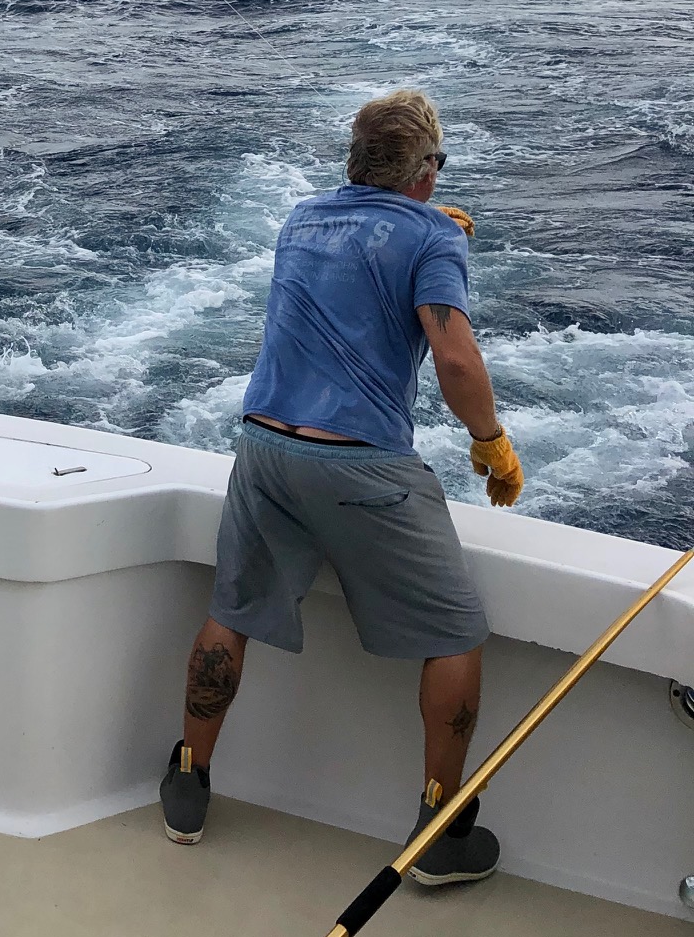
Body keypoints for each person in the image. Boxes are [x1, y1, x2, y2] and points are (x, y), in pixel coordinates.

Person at [161, 89, 524, 886]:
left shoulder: (302, 218)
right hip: (361, 468)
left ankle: (187, 779)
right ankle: (440, 832)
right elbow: (457, 361)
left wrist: (431, 229)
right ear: (426, 173)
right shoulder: (431, 236)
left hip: (262, 449)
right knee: (457, 632)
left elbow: (366, 245)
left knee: (231, 613)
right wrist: (490, 443)